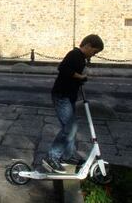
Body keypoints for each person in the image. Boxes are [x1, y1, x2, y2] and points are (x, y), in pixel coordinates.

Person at [42, 34, 104, 173]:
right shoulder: (75, 54)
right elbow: (63, 69)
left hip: (69, 97)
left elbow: (72, 73)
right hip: (61, 96)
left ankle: (67, 156)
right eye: (94, 52)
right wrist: (80, 76)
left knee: (71, 127)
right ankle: (52, 157)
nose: (93, 55)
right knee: (70, 128)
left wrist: (79, 79)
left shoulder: (81, 58)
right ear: (87, 45)